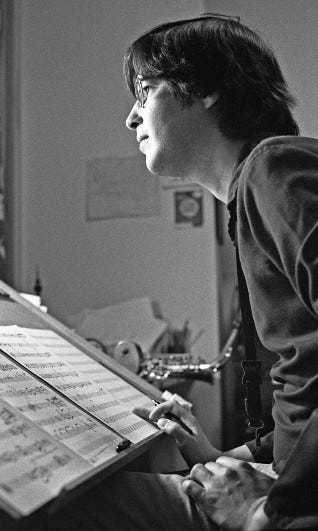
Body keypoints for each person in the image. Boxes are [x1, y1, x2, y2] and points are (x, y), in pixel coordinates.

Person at [51, 13, 318, 530]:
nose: (131, 118)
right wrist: (222, 455)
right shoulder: (257, 188)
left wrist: (266, 512)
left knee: (59, 504)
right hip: (292, 487)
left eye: (146, 90)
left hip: (293, 506)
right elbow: (303, 382)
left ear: (206, 90)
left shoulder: (273, 168)